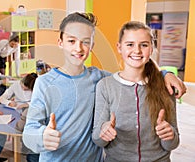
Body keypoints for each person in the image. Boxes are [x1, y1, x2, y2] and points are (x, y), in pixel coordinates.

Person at [22, 12, 186, 161]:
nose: (78, 48)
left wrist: (164, 74)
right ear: (60, 42)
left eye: (85, 42)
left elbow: (133, 71)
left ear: (92, 45)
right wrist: (42, 136)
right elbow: (29, 132)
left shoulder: (101, 79)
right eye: (71, 41)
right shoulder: (44, 83)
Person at [92, 21, 179, 162]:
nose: (137, 51)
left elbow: (172, 144)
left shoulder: (166, 86)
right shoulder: (105, 86)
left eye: (144, 45)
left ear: (151, 48)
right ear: (119, 48)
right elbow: (97, 139)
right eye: (130, 44)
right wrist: (103, 133)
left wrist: (169, 135)